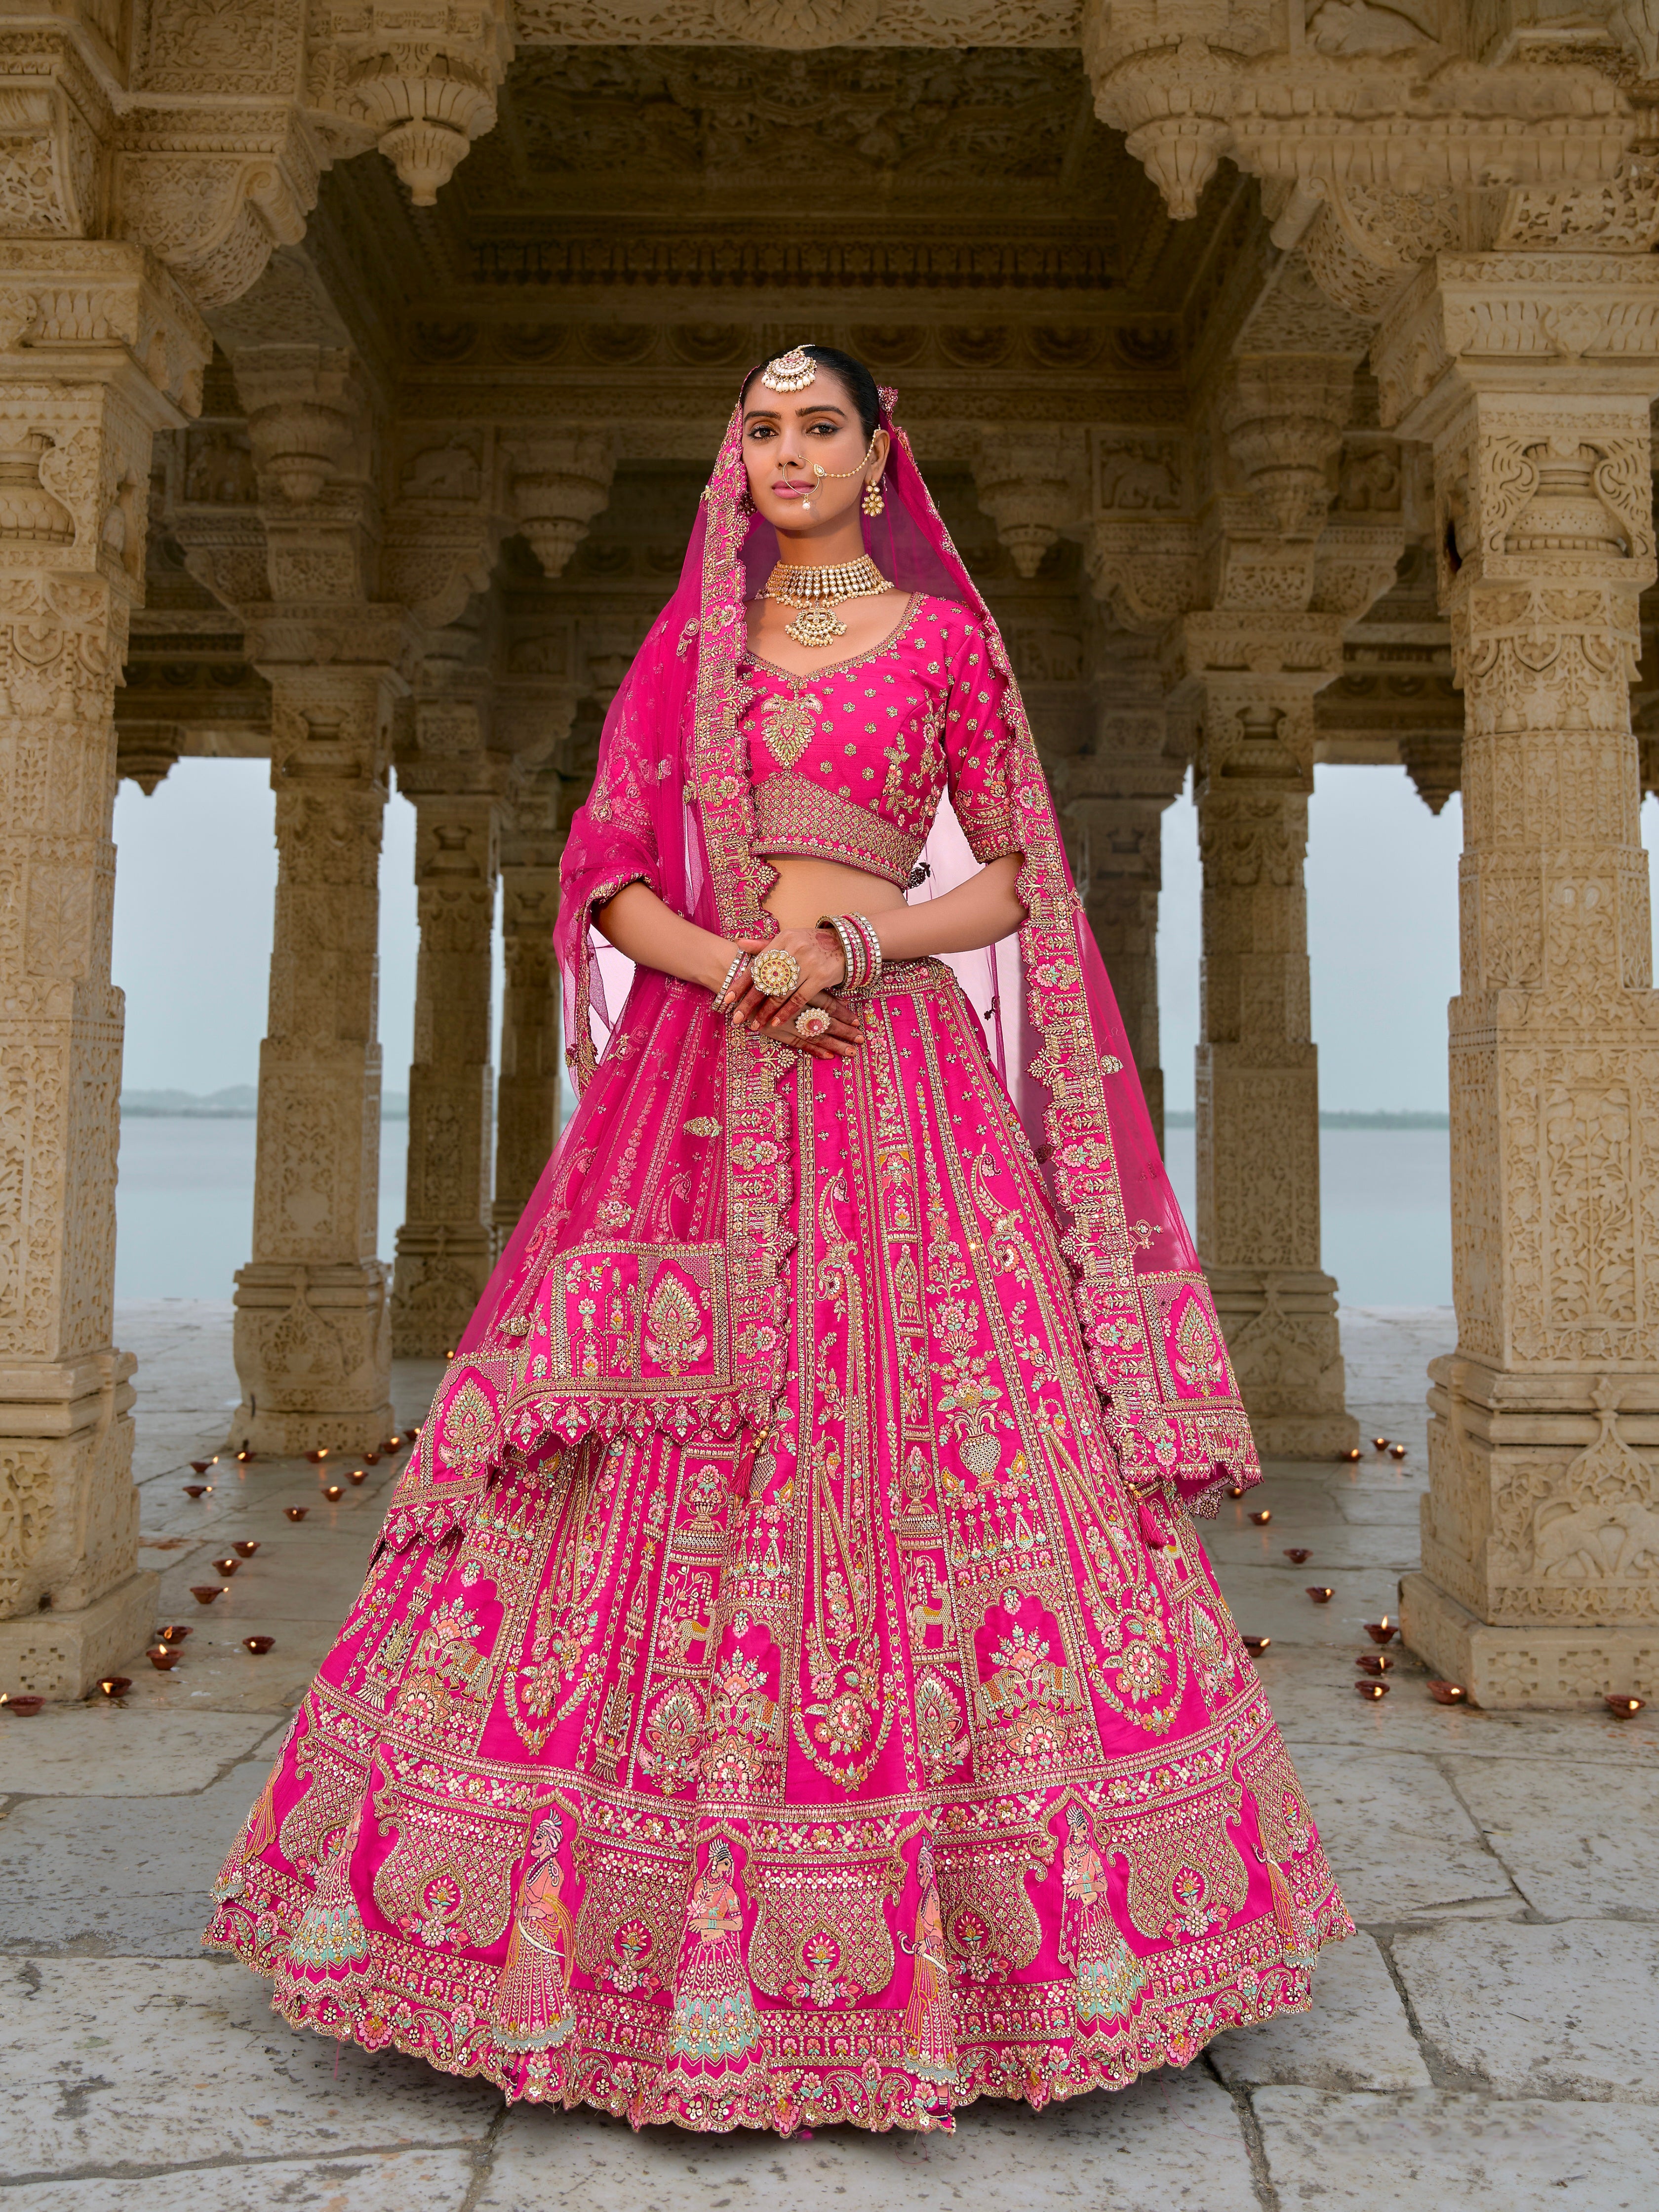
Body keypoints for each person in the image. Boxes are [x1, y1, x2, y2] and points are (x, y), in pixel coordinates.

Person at [207, 343, 1351, 2134]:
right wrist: (740, 968)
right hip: (705, 1085)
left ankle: (1010, 1955)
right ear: (733, 459)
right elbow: (609, 873)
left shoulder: (944, 643)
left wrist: (854, 948)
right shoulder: (692, 651)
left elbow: (1015, 877)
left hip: (903, 1084)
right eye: (762, 428)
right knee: (645, 1439)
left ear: (884, 456)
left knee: (948, 1438)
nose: (789, 450)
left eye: (822, 426)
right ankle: (577, 1939)